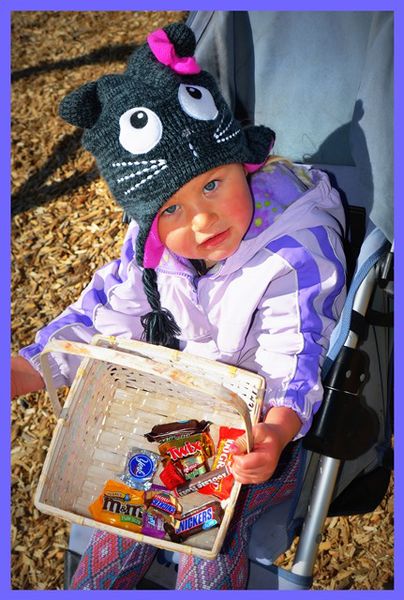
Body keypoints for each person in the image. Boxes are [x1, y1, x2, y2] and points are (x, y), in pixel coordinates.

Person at [11, 22, 346, 590]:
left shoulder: (292, 252)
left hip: (261, 436)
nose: (201, 220)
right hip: (171, 427)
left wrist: (278, 428)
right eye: (169, 209)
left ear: (241, 161)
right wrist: (29, 368)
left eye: (212, 184)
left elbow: (296, 351)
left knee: (204, 545)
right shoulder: (151, 252)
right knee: (118, 522)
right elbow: (102, 319)